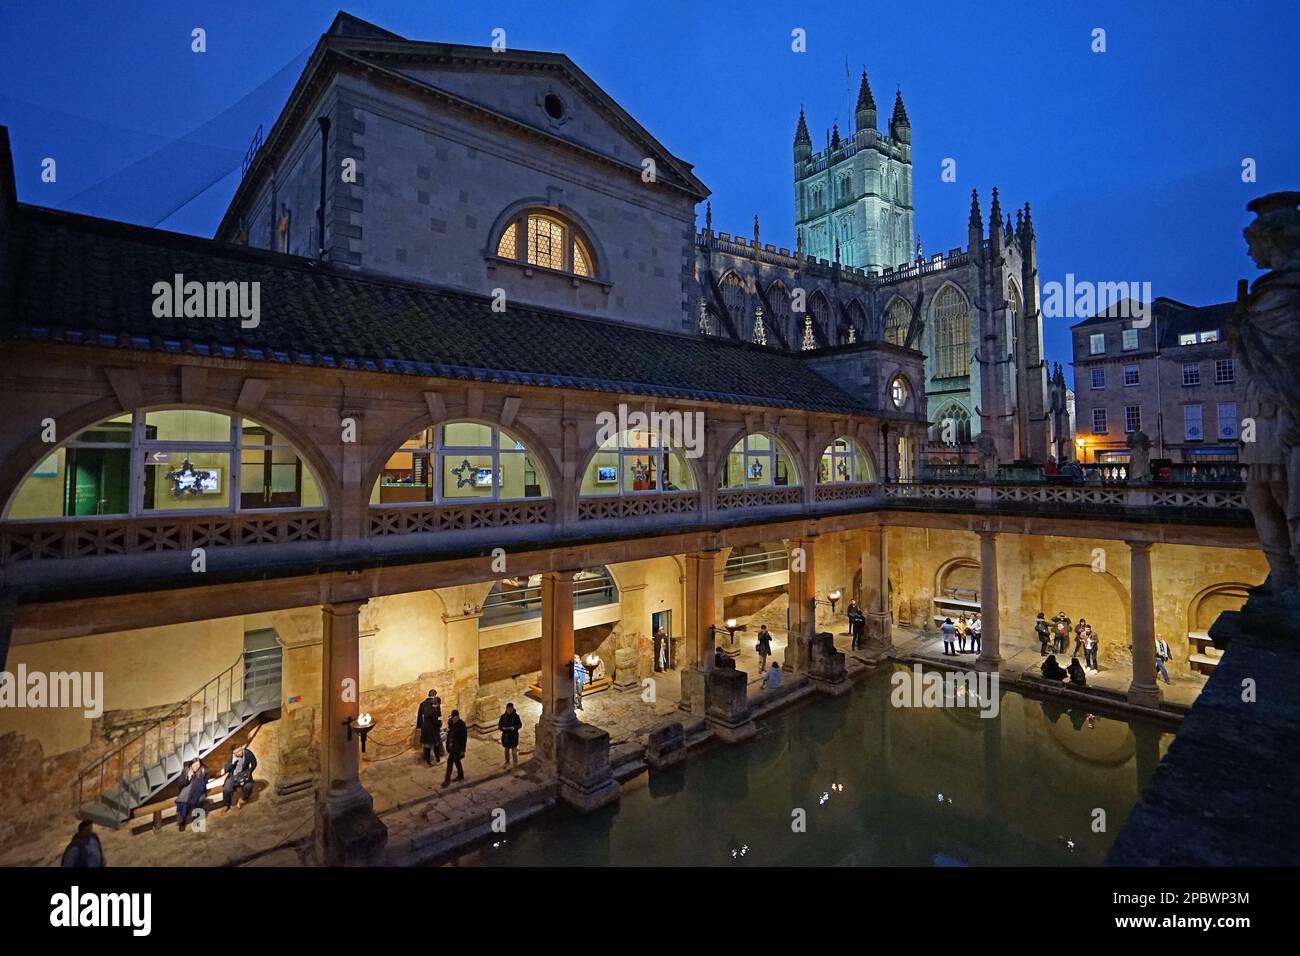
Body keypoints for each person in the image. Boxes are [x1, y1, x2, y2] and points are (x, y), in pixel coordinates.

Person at [175, 758, 208, 831]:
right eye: (195, 765)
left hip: (200, 791)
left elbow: (205, 782)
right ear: (191, 765)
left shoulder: (203, 771)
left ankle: (196, 816)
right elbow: (180, 784)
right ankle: (182, 822)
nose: (197, 767)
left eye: (198, 765)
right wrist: (188, 778)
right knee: (183, 802)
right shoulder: (186, 771)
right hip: (187, 792)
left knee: (199, 800)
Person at [222, 744, 257, 810]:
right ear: (233, 753)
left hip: (244, 774)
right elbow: (226, 770)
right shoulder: (231, 757)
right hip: (233, 776)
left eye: (240, 750)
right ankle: (226, 804)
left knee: (249, 785)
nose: (239, 753)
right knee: (226, 789)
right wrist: (233, 762)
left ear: (241, 748)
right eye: (236, 752)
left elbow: (254, 763)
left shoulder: (248, 753)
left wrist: (249, 772)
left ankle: (242, 800)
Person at [416, 688, 443, 765]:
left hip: (425, 728)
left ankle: (427, 760)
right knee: (436, 744)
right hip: (433, 728)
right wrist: (439, 724)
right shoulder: (435, 704)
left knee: (427, 745)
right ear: (434, 695)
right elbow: (438, 716)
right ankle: (438, 758)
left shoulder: (422, 704)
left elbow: (419, 716)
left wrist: (419, 726)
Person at [442, 709, 468, 786]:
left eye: (457, 718)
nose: (456, 719)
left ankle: (447, 780)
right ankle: (461, 775)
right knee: (456, 761)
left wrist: (463, 750)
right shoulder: (450, 722)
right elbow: (450, 733)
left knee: (450, 762)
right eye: (455, 718)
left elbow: (464, 738)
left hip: (458, 747)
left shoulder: (462, 725)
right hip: (452, 746)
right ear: (452, 717)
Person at [498, 702, 522, 768]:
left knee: (514, 751)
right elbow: (500, 725)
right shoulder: (503, 717)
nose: (509, 711)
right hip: (506, 736)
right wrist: (503, 728)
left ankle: (515, 763)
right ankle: (507, 762)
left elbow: (519, 725)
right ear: (506, 709)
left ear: (512, 709)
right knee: (506, 750)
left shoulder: (516, 717)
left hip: (514, 736)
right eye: (508, 709)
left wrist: (514, 728)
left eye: (511, 709)